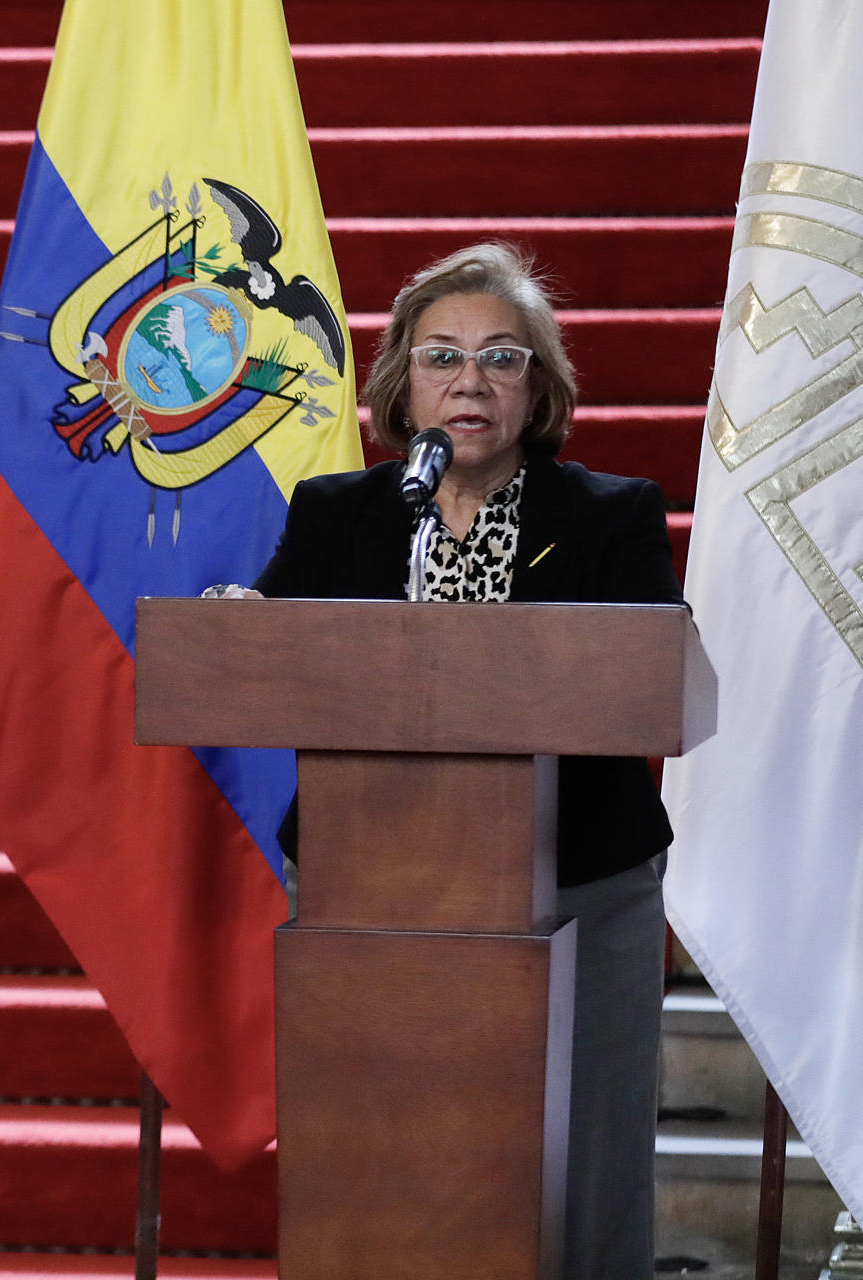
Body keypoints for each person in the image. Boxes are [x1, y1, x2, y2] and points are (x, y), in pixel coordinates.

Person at [249, 242, 679, 1280]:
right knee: (378, 1139)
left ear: (539, 388)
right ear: (402, 383)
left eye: (501, 358)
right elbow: (264, 654)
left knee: (585, 1144)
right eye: (442, 357)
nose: (469, 381)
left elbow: (637, 675)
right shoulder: (340, 516)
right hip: (371, 885)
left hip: (579, 881)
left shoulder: (611, 516)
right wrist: (240, 624)